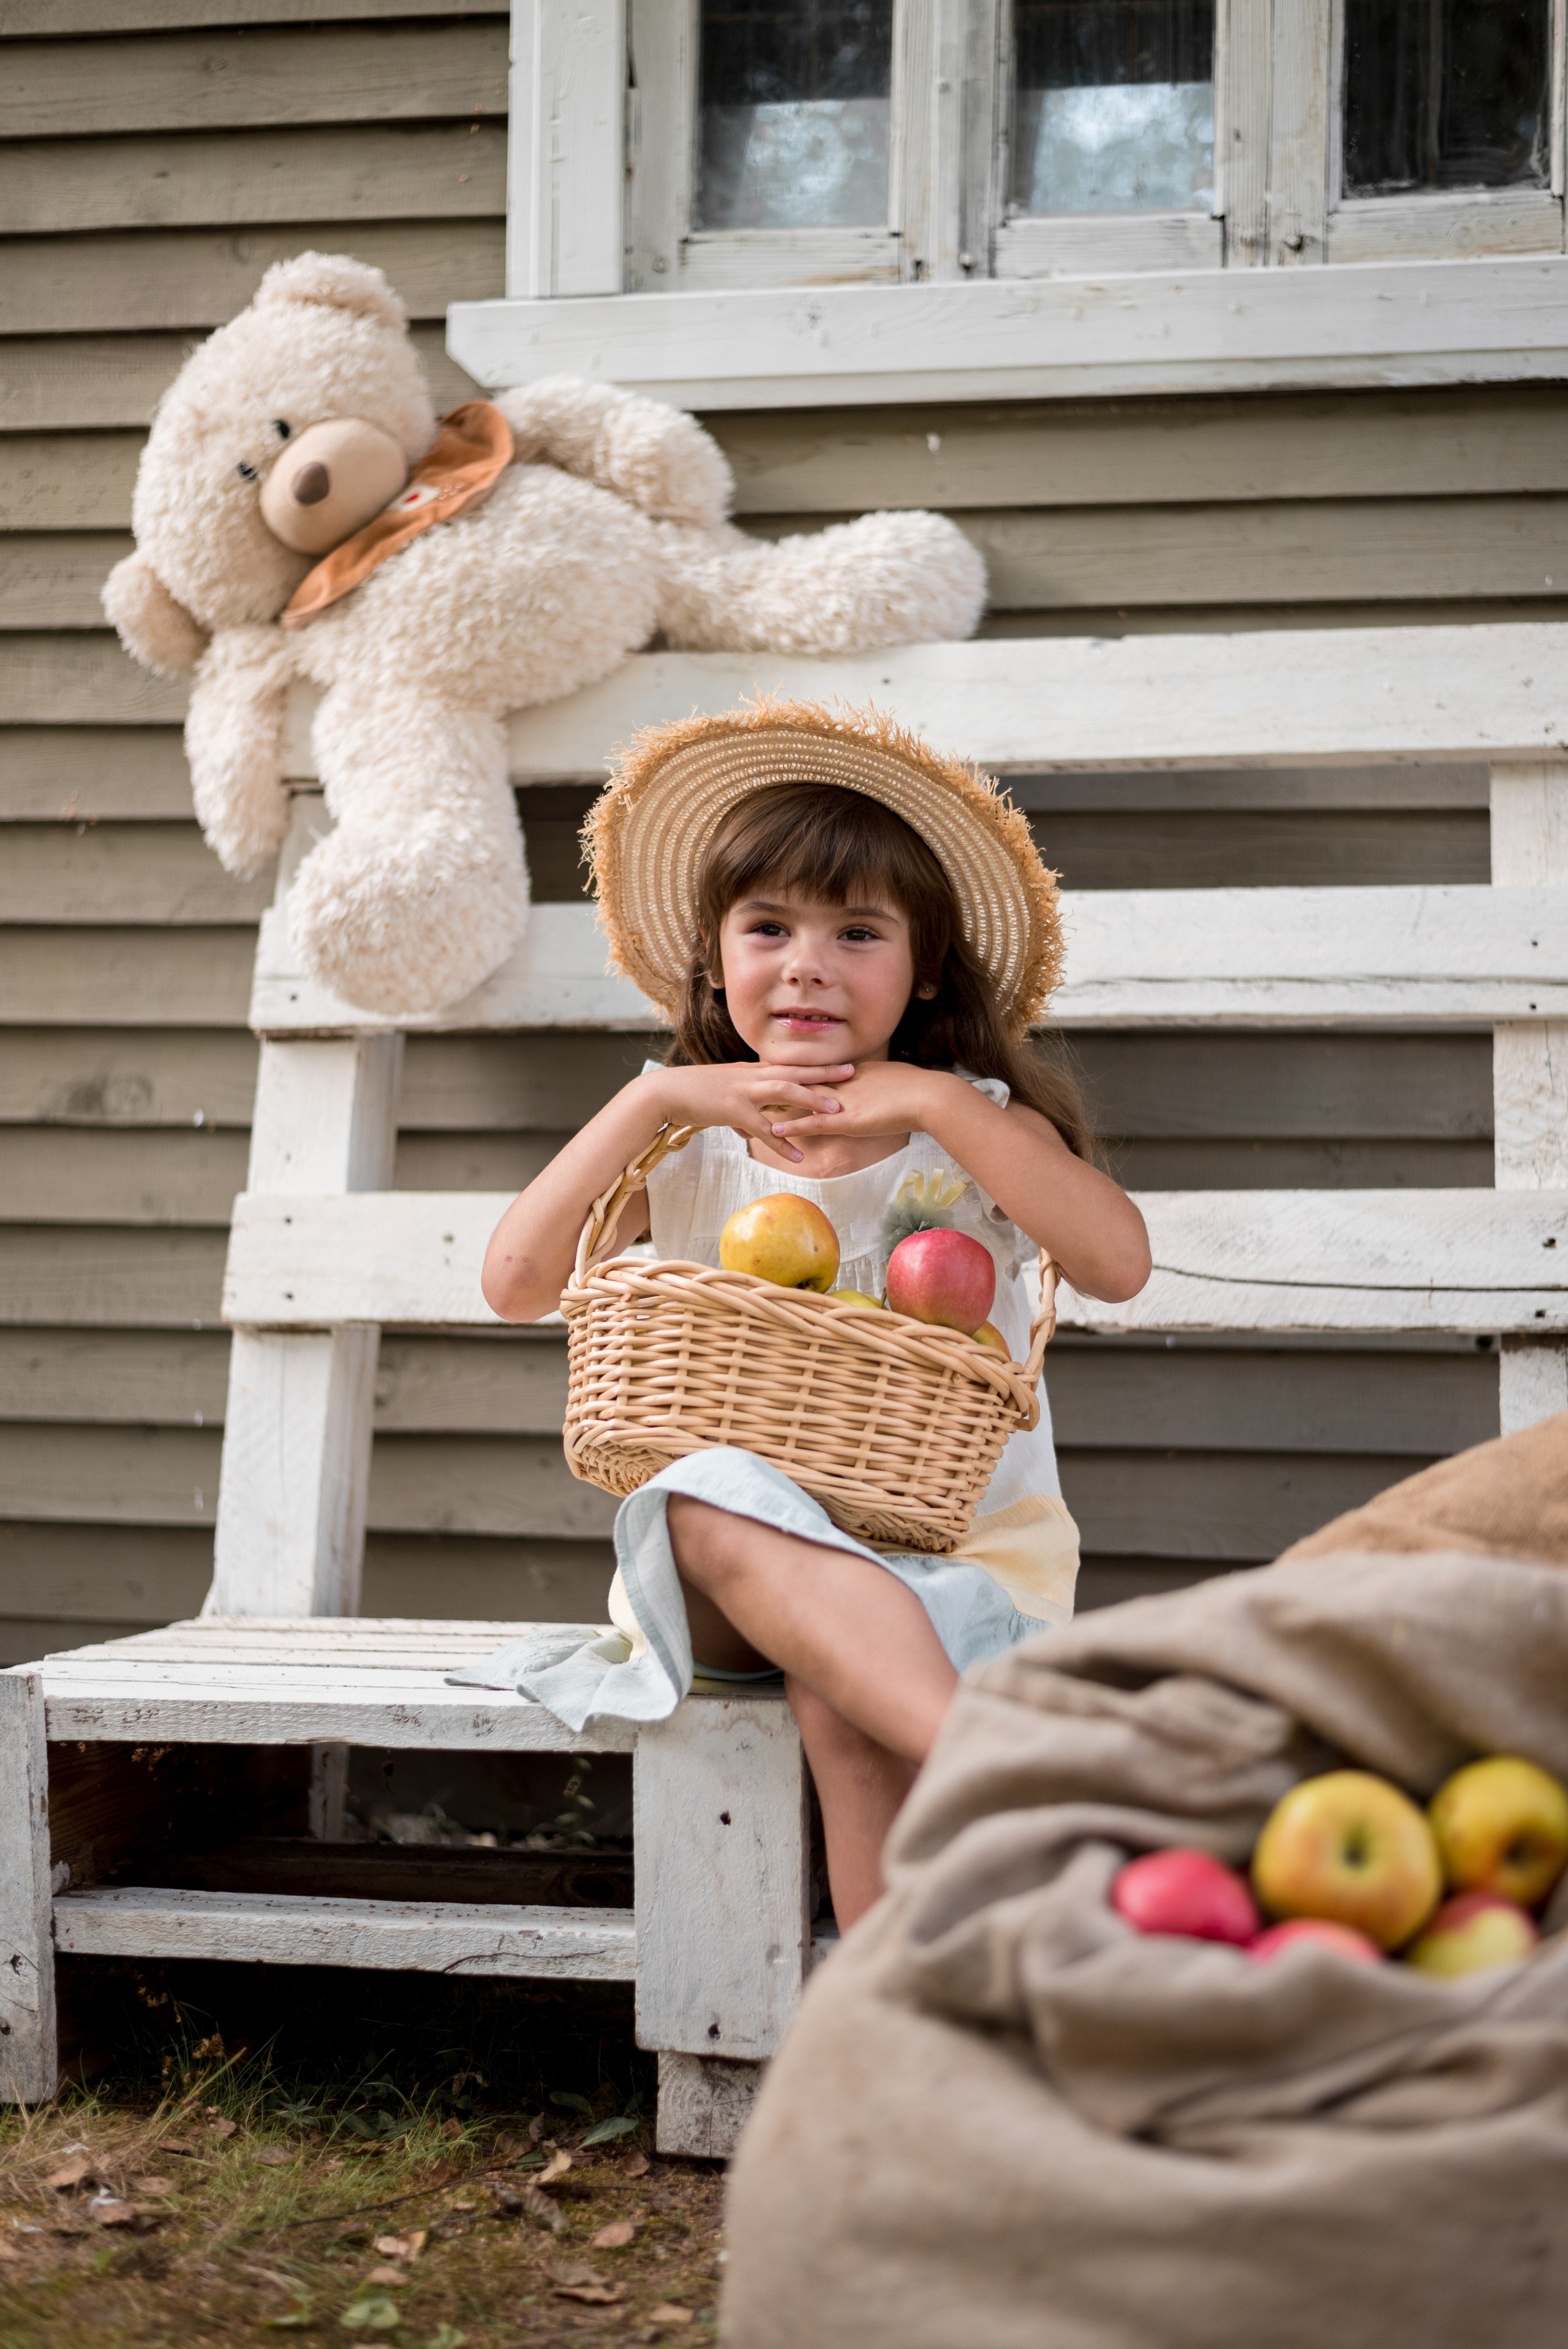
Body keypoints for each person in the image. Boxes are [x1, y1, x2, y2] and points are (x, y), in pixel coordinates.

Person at [478, 701, 1150, 1927]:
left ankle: (890, 2021)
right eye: (767, 926)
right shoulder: (681, 1138)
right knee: (697, 1497)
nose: (805, 964)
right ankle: (1021, 1776)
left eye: (856, 931)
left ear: (924, 966)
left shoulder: (980, 1130)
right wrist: (654, 1102)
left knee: (844, 1704)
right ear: (712, 955)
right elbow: (516, 1282)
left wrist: (945, 1110)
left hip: (957, 1563)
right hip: (732, 1587)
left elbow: (1113, 1264)